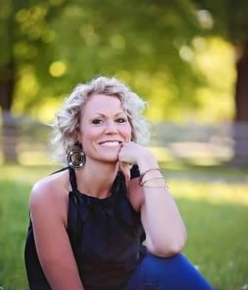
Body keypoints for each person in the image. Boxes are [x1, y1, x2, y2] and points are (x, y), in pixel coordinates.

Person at [24, 76, 214, 290]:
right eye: (97, 121)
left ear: (130, 129)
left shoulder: (138, 183)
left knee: (168, 265)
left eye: (120, 120)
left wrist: (148, 161)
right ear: (77, 132)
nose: (111, 129)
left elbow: (168, 246)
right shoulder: (49, 194)